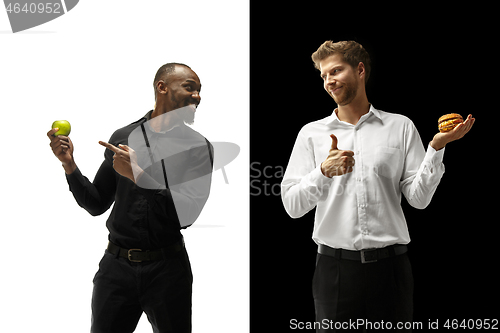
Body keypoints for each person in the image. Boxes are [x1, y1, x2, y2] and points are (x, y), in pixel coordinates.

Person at [280, 41, 475, 332]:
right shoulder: (311, 134)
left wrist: (436, 148)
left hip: (391, 271)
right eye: (323, 76)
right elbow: (292, 206)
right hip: (335, 273)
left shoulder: (401, 127)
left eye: (336, 70)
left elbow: (419, 200)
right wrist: (323, 172)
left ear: (359, 70)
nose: (328, 81)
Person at [47, 63, 213, 333]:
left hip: (168, 272)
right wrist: (69, 165)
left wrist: (140, 176)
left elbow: (188, 215)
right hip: (116, 271)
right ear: (162, 87)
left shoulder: (197, 147)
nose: (197, 96)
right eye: (189, 87)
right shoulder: (124, 137)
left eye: (199, 91)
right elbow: (96, 203)